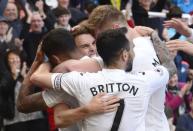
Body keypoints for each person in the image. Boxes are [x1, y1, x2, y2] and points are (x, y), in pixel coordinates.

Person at [53, 5, 176, 131]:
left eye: (99, 36)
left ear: (115, 29)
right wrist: (154, 34)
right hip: (159, 125)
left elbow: (62, 68)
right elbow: (171, 69)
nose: (99, 42)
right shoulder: (147, 41)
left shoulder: (123, 56)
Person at [30, 28, 170, 131]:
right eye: (131, 49)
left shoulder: (80, 81)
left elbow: (36, 77)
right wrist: (153, 35)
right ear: (124, 55)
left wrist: (47, 61)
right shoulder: (145, 81)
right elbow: (168, 69)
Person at [17, 28, 120, 131]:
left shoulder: (65, 80)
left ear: (55, 59)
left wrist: (38, 61)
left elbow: (22, 104)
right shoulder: (104, 62)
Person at [1, 50, 49, 131]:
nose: (15, 61)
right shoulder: (5, 76)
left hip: (36, 117)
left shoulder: (29, 72)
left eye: (16, 58)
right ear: (7, 62)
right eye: (11, 59)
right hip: (14, 120)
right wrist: (14, 76)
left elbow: (38, 91)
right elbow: (4, 93)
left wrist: (26, 78)